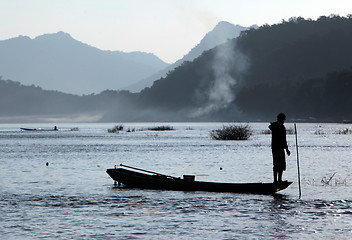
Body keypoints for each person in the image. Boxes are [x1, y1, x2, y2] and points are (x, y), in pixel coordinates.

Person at [269, 113, 290, 183]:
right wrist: (287, 149)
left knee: (278, 164)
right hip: (278, 148)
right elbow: (284, 139)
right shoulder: (280, 127)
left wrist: (286, 149)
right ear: (280, 119)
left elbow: (270, 126)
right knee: (279, 164)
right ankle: (277, 180)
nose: (284, 121)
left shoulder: (275, 126)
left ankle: (277, 180)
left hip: (276, 148)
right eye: (283, 119)